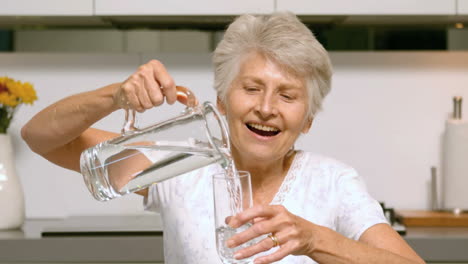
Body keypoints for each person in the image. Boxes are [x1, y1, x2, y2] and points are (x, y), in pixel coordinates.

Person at [21, 12, 425, 264]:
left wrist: (314, 238)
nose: (266, 107)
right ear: (220, 101)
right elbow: (40, 137)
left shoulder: (334, 182)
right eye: (251, 88)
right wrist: (115, 96)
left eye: (287, 95)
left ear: (308, 120)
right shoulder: (180, 165)